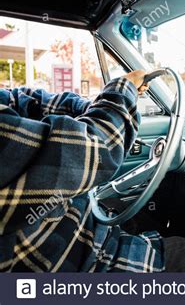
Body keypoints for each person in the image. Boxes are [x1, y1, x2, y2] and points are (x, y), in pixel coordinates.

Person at [0, 70, 167, 272]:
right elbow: (93, 150)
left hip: (81, 229)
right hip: (87, 261)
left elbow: (23, 100)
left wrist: (92, 106)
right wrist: (123, 89)